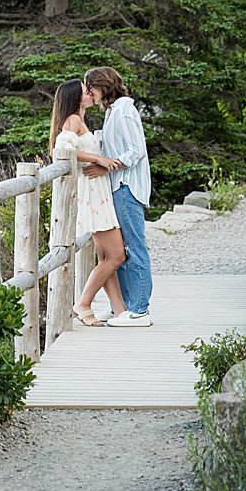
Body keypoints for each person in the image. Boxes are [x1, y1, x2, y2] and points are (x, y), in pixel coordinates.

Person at [50, 80, 128, 327]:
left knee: (107, 256)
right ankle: (83, 303)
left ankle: (120, 310)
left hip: (98, 191)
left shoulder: (82, 121)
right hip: (93, 195)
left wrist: (99, 162)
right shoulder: (73, 120)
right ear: (76, 98)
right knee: (117, 256)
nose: (91, 93)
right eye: (86, 91)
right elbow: (61, 150)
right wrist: (98, 158)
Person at [83, 66, 153, 327]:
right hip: (118, 187)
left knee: (134, 247)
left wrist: (105, 166)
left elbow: (136, 151)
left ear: (102, 86)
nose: (90, 93)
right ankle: (123, 308)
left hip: (127, 187)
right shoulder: (113, 112)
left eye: (91, 88)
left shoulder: (124, 110)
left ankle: (140, 310)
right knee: (121, 249)